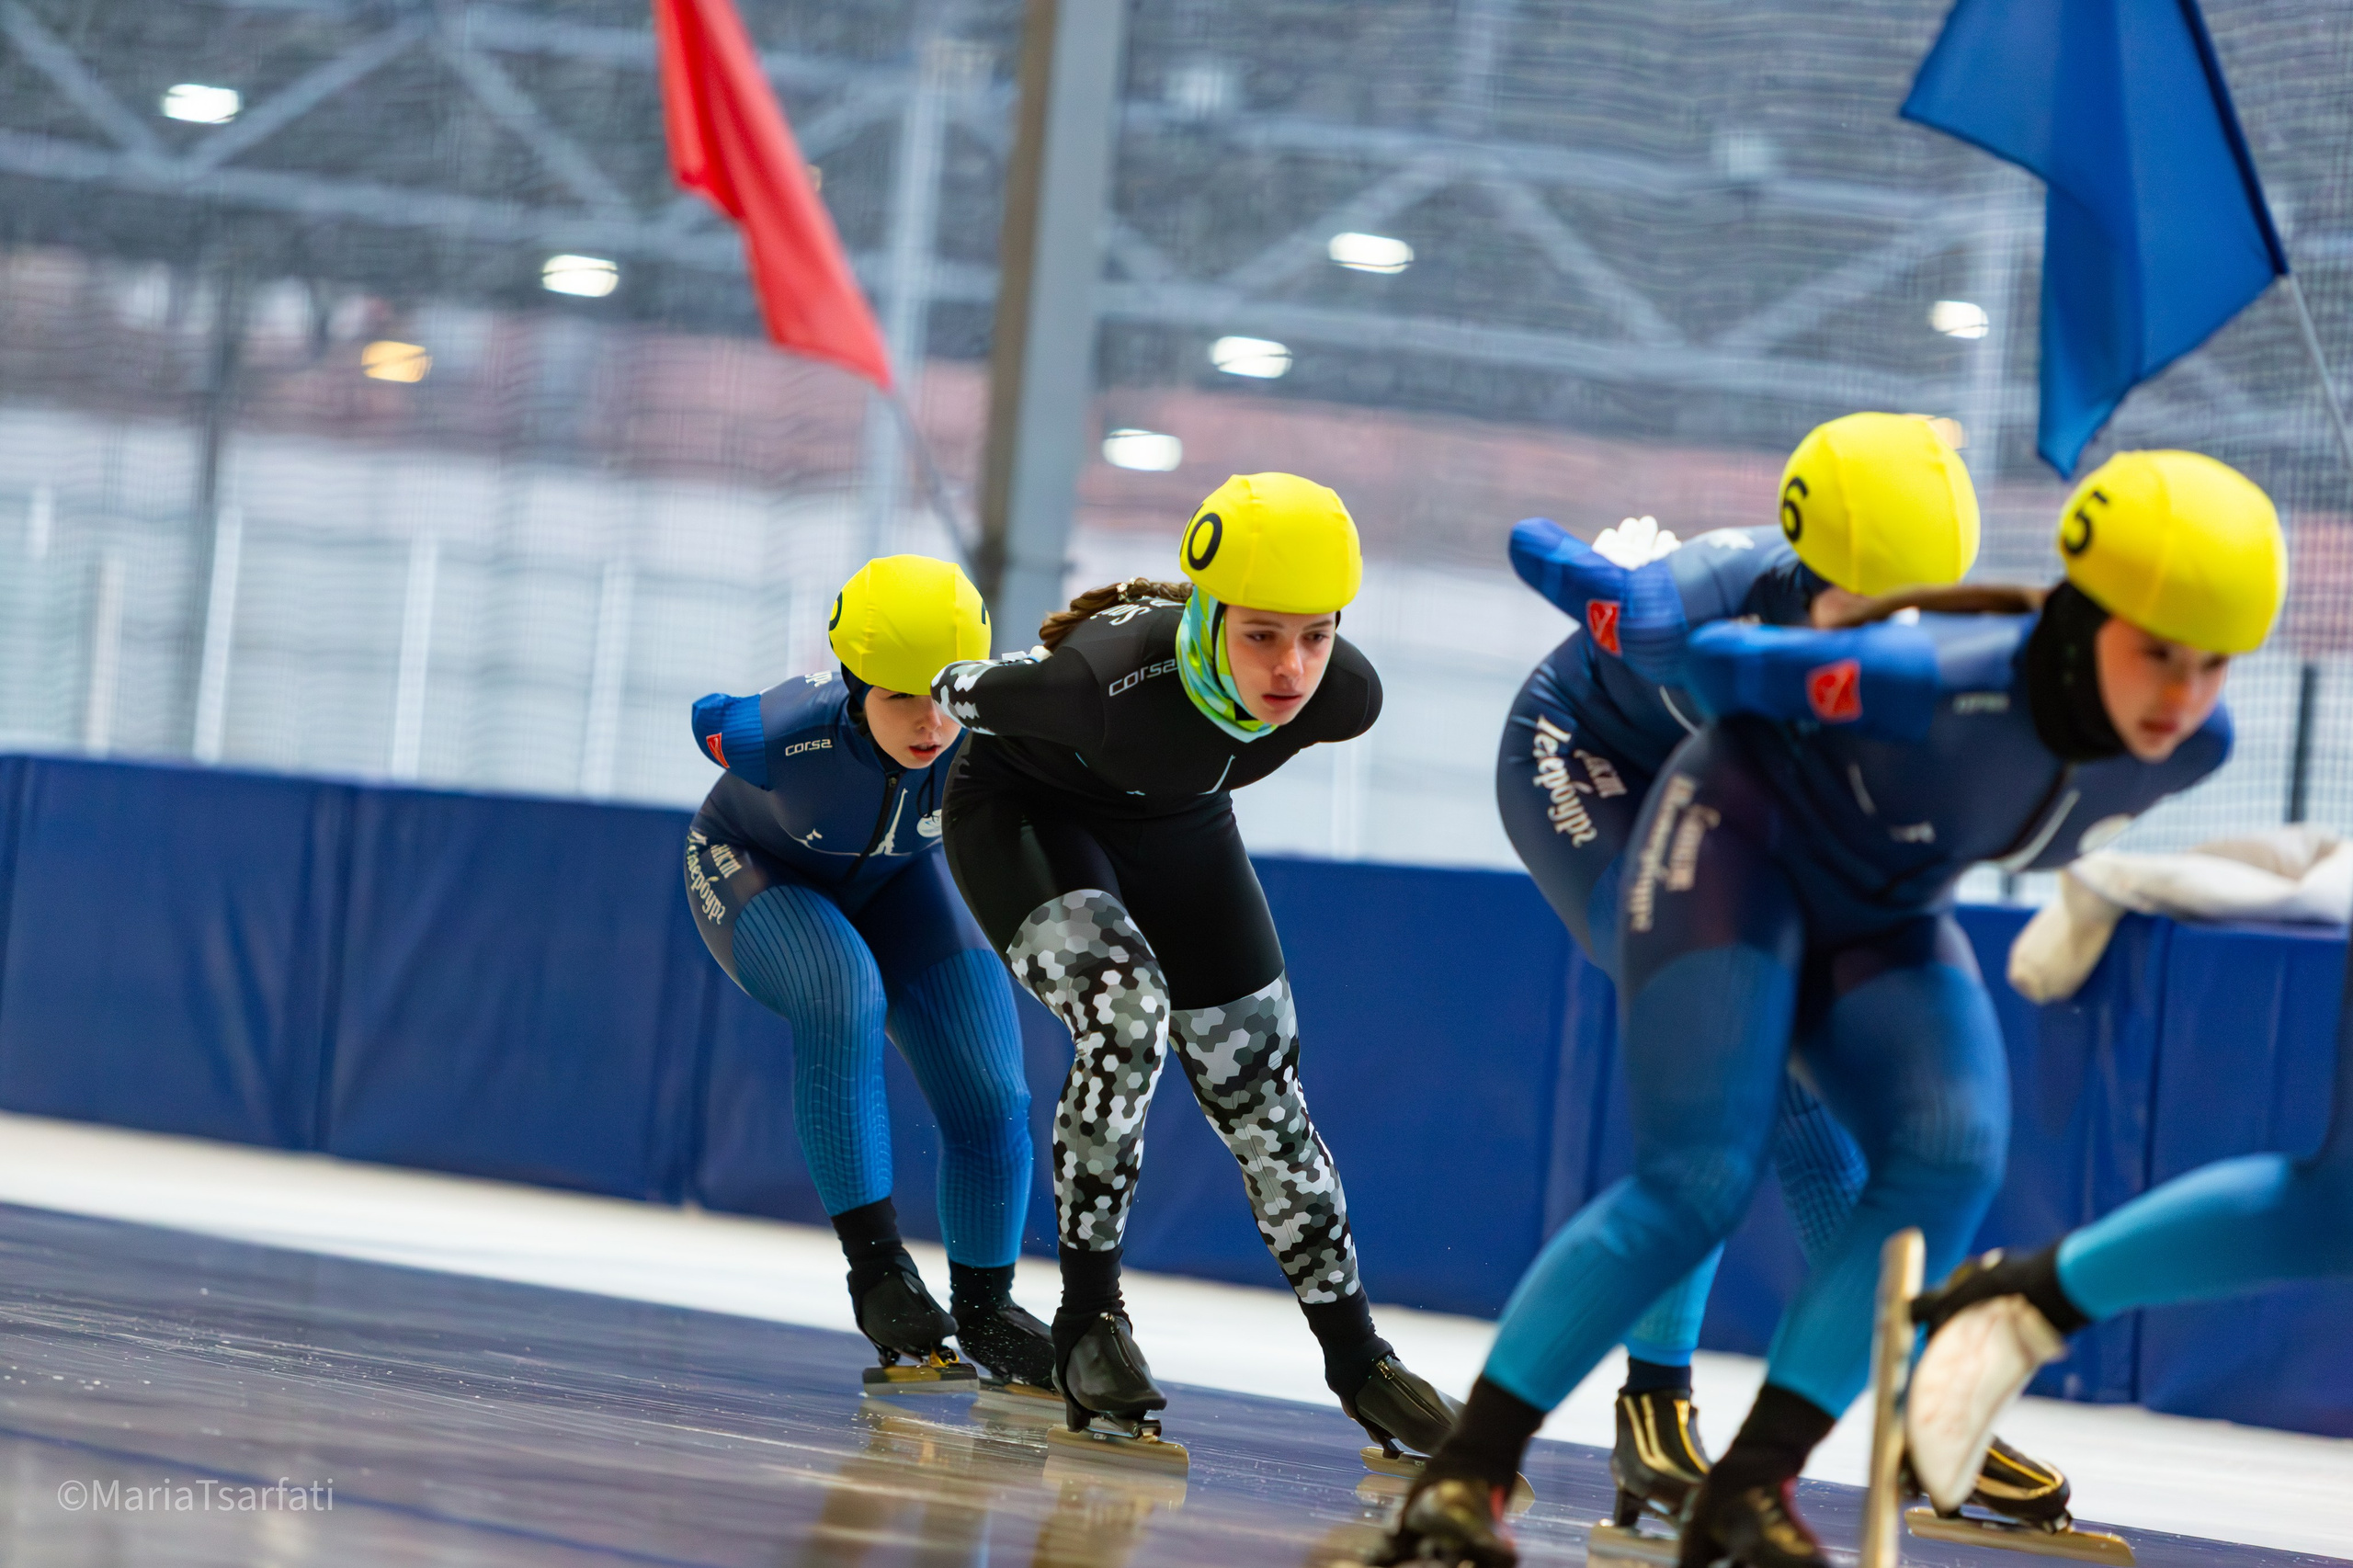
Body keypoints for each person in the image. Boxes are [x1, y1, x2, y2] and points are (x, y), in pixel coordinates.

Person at [1380, 449, 2279, 1568]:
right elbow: (1724, 668)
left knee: (1950, 1154)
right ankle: (1476, 1467)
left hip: (1878, 895)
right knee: (1704, 1167)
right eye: (2157, 654)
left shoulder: (2198, 747)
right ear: (2084, 615)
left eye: (2214, 665)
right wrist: (1635, 612)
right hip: (1716, 835)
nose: (2182, 696)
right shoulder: (1930, 673)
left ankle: (1756, 1479)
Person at [1496, 413, 2065, 1535]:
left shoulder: (1924, 651)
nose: (1891, 635)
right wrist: (1615, 584)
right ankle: (1654, 1404)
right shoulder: (1698, 600)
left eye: (1915, 610)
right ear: (1806, 574)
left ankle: (1901, 1404)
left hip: (1744, 800)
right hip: (1596, 766)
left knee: (1865, 1129)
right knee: (1744, 1081)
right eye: (1862, 607)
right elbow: (1529, 540)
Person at [930, 472, 1456, 1460]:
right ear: (1208, 615)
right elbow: (949, 685)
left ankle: (1359, 1360)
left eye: (1315, 632)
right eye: (1260, 633)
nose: (1291, 667)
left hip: (1178, 826)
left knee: (1262, 1089)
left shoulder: (1345, 697)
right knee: (1125, 1019)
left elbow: (1290, 685)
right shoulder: (1094, 682)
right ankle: (1090, 1319)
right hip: (1028, 813)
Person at [686, 555, 1051, 1391]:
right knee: (844, 990)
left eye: (945, 697)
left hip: (896, 884)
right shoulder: (781, 732)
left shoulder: (993, 735)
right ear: (853, 687)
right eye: (898, 696)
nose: (929, 724)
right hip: (755, 870)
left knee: (994, 1089)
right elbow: (707, 716)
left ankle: (988, 1309)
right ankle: (880, 1274)